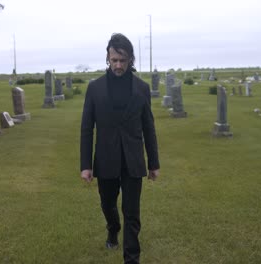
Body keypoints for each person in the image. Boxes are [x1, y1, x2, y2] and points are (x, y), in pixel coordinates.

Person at [80, 33, 160, 264]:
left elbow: (149, 127)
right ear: (108, 57)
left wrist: (153, 163)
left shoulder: (142, 88)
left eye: (122, 60)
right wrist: (86, 165)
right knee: (107, 204)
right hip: (105, 159)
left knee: (132, 212)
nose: (118, 65)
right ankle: (113, 229)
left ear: (130, 59)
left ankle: (131, 258)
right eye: (114, 59)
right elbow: (87, 129)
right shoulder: (94, 89)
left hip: (133, 160)